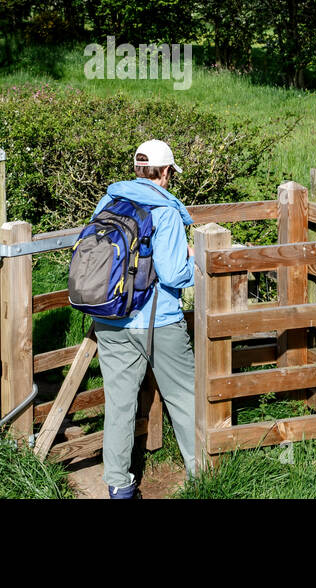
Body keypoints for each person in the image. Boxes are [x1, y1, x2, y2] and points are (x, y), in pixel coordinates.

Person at [91, 138, 198, 499]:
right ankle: (202, 474)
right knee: (184, 396)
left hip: (110, 317)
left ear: (137, 169)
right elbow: (171, 274)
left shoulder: (108, 201)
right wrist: (196, 264)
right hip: (158, 319)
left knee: (119, 404)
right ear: (165, 171)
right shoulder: (166, 210)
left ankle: (119, 486)